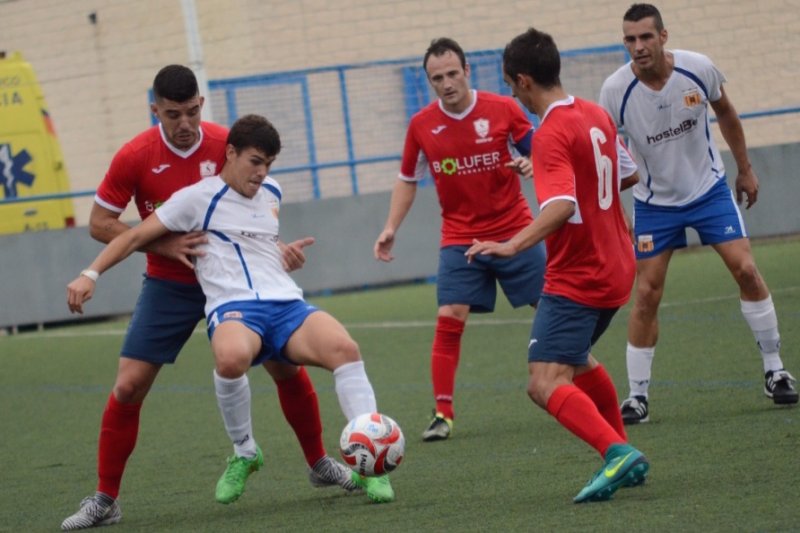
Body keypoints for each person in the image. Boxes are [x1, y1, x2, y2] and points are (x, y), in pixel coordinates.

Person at [61, 67, 356, 531]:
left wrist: (273, 249)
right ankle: (105, 498)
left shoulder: (227, 143)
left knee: (286, 366)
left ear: (202, 104)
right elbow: (101, 223)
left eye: (193, 111)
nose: (186, 123)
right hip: (170, 282)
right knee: (128, 385)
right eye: (173, 114)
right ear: (154, 109)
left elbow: (251, 208)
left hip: (237, 285)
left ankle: (319, 463)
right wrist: (164, 247)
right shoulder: (135, 155)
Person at [466, 27, 649, 503]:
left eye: (510, 85)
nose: (511, 94)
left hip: (579, 275)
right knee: (575, 359)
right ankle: (623, 450)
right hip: (617, 266)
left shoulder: (549, 132)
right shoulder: (595, 113)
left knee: (544, 381)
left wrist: (510, 245)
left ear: (524, 80)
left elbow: (561, 206)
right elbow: (628, 173)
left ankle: (615, 453)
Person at [599, 3, 798, 425]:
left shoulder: (697, 69)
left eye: (645, 37)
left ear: (663, 37)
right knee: (647, 293)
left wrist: (745, 170)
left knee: (746, 269)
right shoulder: (615, 91)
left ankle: (775, 369)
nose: (638, 47)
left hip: (708, 191)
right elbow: (608, 152)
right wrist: (618, 211)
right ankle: (637, 397)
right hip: (655, 204)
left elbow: (725, 112)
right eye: (630, 40)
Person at [374, 37, 546, 442]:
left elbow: (542, 150)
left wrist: (530, 162)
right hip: (460, 238)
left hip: (515, 229)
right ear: (429, 82)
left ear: (467, 71)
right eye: (437, 78)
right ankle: (443, 413)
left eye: (453, 73)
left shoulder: (503, 108)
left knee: (553, 309)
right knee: (449, 316)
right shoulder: (421, 126)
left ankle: (569, 381)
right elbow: (407, 180)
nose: (447, 82)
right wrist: (390, 227)